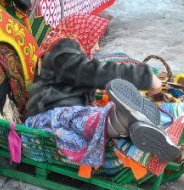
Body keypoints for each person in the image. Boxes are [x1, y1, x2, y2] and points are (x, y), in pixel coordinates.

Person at [23, 14, 176, 165]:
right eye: (95, 40)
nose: (97, 48)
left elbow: (77, 78)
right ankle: (128, 120)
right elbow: (92, 72)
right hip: (47, 116)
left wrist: (94, 89)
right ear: (82, 32)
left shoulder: (64, 52)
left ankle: (137, 125)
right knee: (92, 117)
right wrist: (144, 77)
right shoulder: (62, 48)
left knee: (97, 113)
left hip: (63, 113)